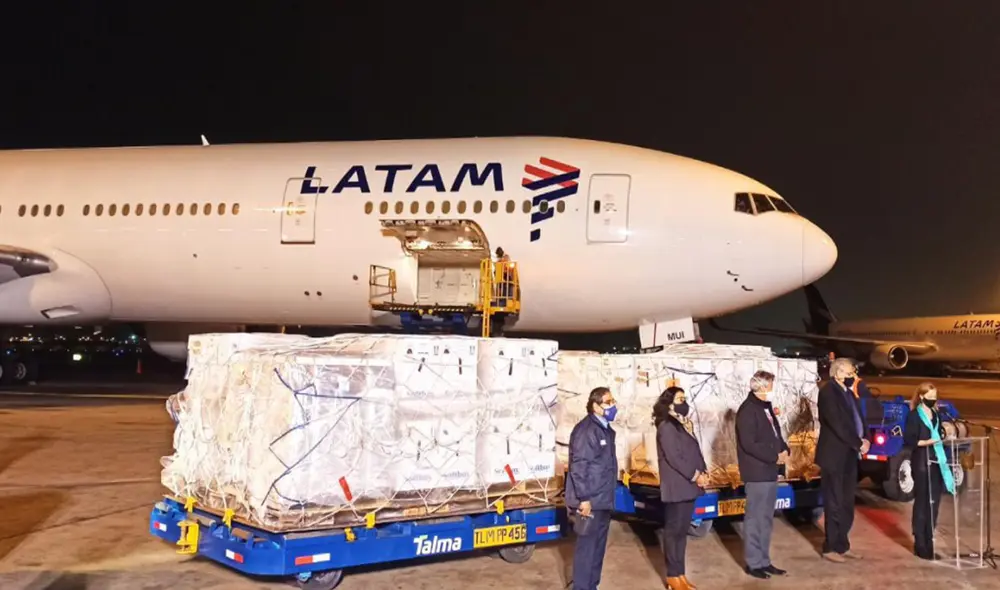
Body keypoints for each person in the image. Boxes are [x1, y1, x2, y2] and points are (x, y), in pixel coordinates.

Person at [735, 370, 789, 579]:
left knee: (766, 519)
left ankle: (764, 560)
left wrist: (784, 449)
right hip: (757, 472)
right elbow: (749, 444)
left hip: (769, 471)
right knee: (755, 519)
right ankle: (753, 563)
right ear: (762, 387)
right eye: (771, 386)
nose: (773, 389)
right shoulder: (748, 411)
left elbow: (776, 434)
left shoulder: (765, 407)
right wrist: (774, 456)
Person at [653, 386, 708, 590]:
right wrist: (696, 475)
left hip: (688, 486)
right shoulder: (666, 426)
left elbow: (694, 450)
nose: (684, 403)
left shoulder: (682, 424)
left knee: (681, 533)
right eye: (679, 399)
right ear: (668, 404)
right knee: (673, 532)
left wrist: (704, 471)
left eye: (685, 398)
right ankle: (672, 576)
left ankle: (680, 574)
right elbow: (674, 457)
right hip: (677, 486)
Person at [815, 357, 869, 562]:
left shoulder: (849, 394)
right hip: (834, 456)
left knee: (847, 502)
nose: (852, 376)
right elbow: (838, 424)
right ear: (837, 373)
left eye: (853, 373)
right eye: (848, 373)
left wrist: (866, 439)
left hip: (849, 455)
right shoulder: (828, 393)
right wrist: (858, 443)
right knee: (834, 502)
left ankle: (842, 545)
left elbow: (858, 420)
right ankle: (830, 547)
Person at [566, 386, 619, 590]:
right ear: (596, 406)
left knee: (598, 548)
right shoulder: (587, 430)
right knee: (587, 549)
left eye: (613, 401)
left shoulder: (604, 429)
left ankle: (592, 585)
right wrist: (584, 499)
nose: (613, 405)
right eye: (608, 402)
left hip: (603, 499)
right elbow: (579, 467)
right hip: (590, 500)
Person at [904, 382, 956, 560]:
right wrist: (929, 442)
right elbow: (910, 440)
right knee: (922, 503)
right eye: (930, 397)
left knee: (934, 503)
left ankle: (929, 542)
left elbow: (940, 434)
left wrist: (947, 435)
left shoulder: (936, 414)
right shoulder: (914, 416)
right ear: (921, 397)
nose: (933, 400)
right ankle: (920, 544)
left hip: (936, 461)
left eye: (935, 397)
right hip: (921, 461)